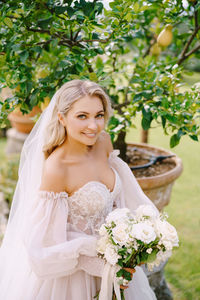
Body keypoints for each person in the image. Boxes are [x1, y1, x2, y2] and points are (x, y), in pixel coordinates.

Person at [0, 80, 157, 300]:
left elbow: (121, 197)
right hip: (72, 278)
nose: (93, 126)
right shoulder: (57, 168)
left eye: (99, 115)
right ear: (62, 118)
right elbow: (45, 245)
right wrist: (101, 264)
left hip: (118, 262)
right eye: (82, 116)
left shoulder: (104, 142)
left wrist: (134, 236)